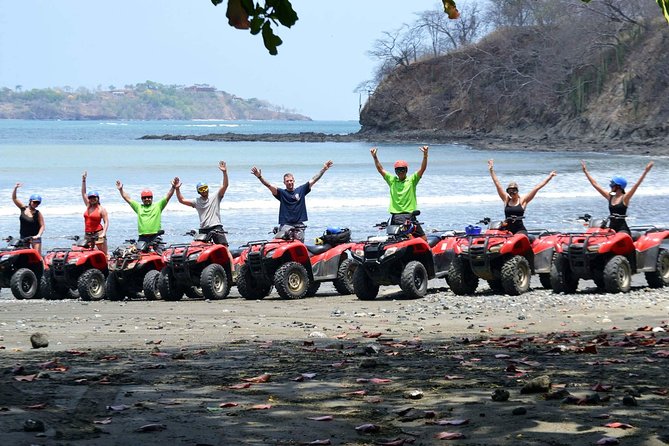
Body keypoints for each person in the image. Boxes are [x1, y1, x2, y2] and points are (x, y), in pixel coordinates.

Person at [251, 160, 334, 242]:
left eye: (291, 180)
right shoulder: (281, 193)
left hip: (299, 225)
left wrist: (324, 169)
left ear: (294, 181)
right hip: (285, 225)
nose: (289, 182)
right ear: (284, 182)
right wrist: (259, 177)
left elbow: (314, 179)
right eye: (287, 181)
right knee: (283, 246)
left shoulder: (301, 190)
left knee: (299, 248)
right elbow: (268, 185)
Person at [174, 161, 234, 265]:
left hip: (216, 227)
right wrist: (177, 189)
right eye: (202, 189)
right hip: (203, 229)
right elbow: (181, 200)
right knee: (199, 250)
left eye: (205, 188)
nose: (204, 191)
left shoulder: (215, 197)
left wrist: (224, 172)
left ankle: (233, 273)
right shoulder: (196, 201)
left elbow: (225, 185)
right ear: (199, 191)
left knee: (225, 249)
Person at [581, 160, 654, 234]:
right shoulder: (610, 196)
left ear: (618, 186)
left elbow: (636, 185)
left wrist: (646, 171)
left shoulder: (625, 198)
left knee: (618, 238)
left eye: (612, 184)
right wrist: (585, 172)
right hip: (611, 229)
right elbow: (595, 185)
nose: (610, 186)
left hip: (622, 229)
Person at [370, 145, 428, 239]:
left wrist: (425, 155)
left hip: (409, 216)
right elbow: (380, 170)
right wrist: (375, 157)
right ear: (395, 171)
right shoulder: (392, 180)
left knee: (423, 240)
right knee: (407, 239)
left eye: (402, 169)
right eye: (398, 170)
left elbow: (422, 169)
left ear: (406, 170)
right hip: (397, 217)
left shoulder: (412, 180)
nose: (400, 172)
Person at [488, 159, 557, 235]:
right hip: (507, 230)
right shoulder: (506, 200)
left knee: (517, 239)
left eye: (514, 191)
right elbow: (498, 184)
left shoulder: (523, 201)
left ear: (517, 191)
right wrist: (491, 170)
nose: (512, 193)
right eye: (509, 191)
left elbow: (537, 188)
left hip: (519, 230)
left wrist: (550, 177)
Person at [116, 177, 177, 243]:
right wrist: (121, 190)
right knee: (139, 253)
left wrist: (173, 187)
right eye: (144, 198)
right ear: (142, 199)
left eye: (149, 197)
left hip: (156, 236)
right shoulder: (138, 207)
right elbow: (128, 199)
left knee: (160, 253)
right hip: (142, 237)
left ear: (152, 198)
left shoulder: (158, 206)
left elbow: (168, 196)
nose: (147, 199)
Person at [12, 183, 45, 255]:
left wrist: (39, 235)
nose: (36, 204)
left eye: (38, 203)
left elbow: (42, 226)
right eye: (34, 202)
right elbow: (14, 198)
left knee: (37, 255)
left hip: (35, 237)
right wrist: (15, 188)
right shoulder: (23, 208)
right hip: (24, 237)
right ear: (30, 201)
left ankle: (41, 266)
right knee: (24, 256)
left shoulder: (38, 213)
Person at [81, 171, 110, 255]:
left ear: (98, 198)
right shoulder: (88, 206)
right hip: (87, 234)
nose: (92, 199)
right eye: (90, 198)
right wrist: (83, 180)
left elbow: (106, 221)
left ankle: (106, 267)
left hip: (98, 233)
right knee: (87, 252)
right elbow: (83, 193)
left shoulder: (101, 209)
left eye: (94, 197)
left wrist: (104, 233)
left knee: (103, 253)